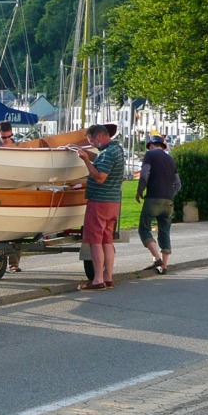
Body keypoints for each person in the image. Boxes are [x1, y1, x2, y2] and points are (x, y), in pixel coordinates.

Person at [74, 123, 125, 291]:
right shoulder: (116, 150)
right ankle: (108, 278)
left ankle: (97, 280)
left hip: (99, 202)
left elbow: (100, 177)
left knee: (95, 242)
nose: (92, 144)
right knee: (107, 241)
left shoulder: (107, 154)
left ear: (100, 137)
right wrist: (82, 151)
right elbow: (101, 160)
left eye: (92, 141)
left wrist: (85, 161)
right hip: (113, 202)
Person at [135, 135, 181, 275]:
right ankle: (165, 266)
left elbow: (144, 174)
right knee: (165, 231)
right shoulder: (171, 159)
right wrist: (169, 195)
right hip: (168, 201)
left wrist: (139, 191)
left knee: (144, 228)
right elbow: (178, 184)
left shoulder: (150, 155)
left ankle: (156, 258)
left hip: (153, 198)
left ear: (152, 145)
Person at [0, 120, 23, 272]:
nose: (6, 140)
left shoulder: (19, 147)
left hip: (15, 189)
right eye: (3, 138)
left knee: (16, 228)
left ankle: (14, 263)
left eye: (8, 137)